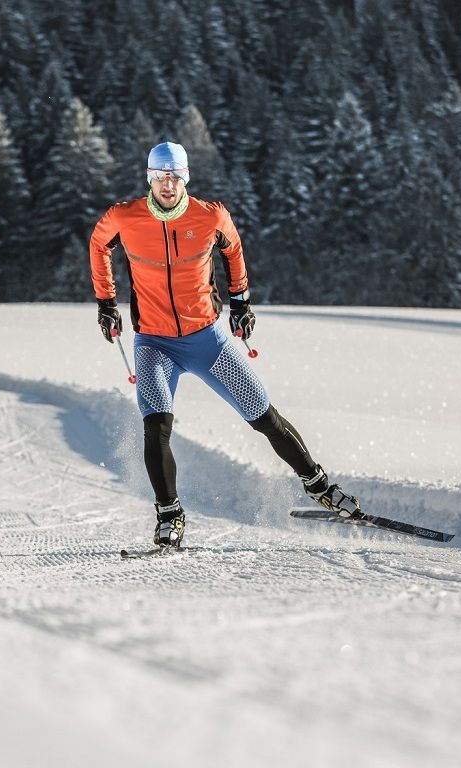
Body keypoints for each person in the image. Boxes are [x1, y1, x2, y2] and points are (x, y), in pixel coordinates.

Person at [88, 141, 362, 548]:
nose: (167, 184)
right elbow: (98, 245)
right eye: (160, 176)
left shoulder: (210, 215)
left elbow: (233, 248)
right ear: (149, 177)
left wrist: (241, 302)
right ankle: (169, 514)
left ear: (185, 178)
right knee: (156, 424)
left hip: (208, 339)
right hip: (154, 344)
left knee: (262, 416)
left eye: (175, 176)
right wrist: (106, 304)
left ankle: (319, 485)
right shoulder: (125, 218)